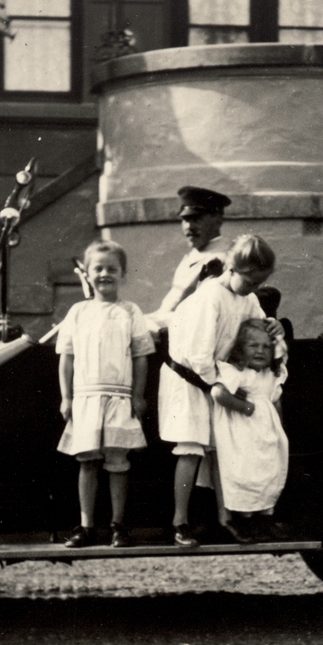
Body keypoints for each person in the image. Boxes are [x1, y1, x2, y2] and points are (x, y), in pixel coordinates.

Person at [158, 234, 284, 548]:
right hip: (188, 379)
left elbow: (257, 327)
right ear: (232, 269)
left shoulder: (248, 298)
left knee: (220, 450)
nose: (253, 287)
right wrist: (223, 386)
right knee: (191, 448)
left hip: (216, 381)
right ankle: (179, 522)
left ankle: (224, 519)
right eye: (250, 280)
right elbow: (199, 356)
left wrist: (273, 326)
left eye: (259, 282)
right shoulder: (209, 297)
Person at [56, 240, 155, 549]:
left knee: (117, 461)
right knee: (87, 461)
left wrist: (138, 395)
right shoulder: (78, 312)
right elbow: (66, 357)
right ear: (86, 273)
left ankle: (118, 524)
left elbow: (140, 356)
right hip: (86, 397)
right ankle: (86, 526)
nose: (104, 275)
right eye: (97, 269)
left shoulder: (129, 311)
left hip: (119, 397)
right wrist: (67, 397)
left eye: (112, 269)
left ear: (123, 273)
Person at [210, 319, 289, 542]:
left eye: (265, 347)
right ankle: (244, 520)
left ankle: (266, 518)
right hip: (242, 433)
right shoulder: (238, 373)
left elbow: (276, 401)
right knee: (245, 473)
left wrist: (279, 429)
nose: (260, 351)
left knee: (268, 471)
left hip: (266, 434)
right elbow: (219, 394)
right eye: (253, 346)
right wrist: (243, 406)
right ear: (240, 349)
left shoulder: (269, 376)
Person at [143, 186, 234, 336]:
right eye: (185, 219)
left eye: (197, 219)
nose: (189, 227)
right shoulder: (197, 254)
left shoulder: (219, 260)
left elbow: (202, 315)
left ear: (218, 220)